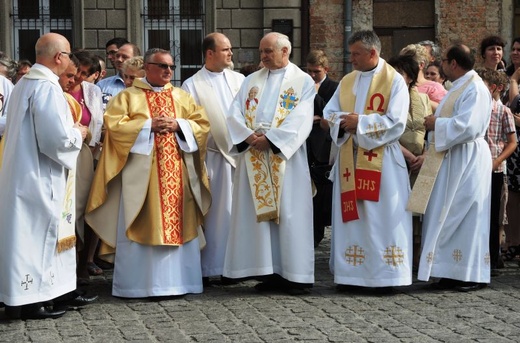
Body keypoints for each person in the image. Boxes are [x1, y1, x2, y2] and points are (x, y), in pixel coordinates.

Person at [85, 48, 210, 298]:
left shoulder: (182, 97)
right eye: (163, 66)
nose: (168, 72)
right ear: (147, 68)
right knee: (140, 220)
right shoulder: (128, 97)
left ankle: (181, 283)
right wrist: (147, 126)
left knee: (180, 223)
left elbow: (202, 125)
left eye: (171, 67)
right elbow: (115, 126)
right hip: (141, 178)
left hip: (177, 174)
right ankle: (138, 285)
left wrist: (179, 125)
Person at [0, 33, 93, 320]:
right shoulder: (47, 88)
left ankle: (35, 295)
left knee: (26, 237)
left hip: (22, 172)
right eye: (67, 56)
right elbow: (56, 141)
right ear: (58, 57)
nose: (69, 62)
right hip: (39, 176)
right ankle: (30, 302)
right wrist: (79, 133)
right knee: (36, 237)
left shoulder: (24, 84)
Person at [222, 32, 316, 295]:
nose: (262, 56)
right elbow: (234, 112)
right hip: (253, 154)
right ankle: (267, 270)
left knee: (289, 213)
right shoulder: (251, 80)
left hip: (285, 158)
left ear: (285, 51)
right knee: (259, 219)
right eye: (261, 51)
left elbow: (302, 117)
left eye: (268, 51)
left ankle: (294, 275)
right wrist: (249, 136)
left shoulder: (302, 81)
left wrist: (272, 140)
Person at [323, 30, 412, 292]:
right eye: (350, 54)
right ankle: (351, 275)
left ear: (373, 53)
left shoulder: (394, 81)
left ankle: (385, 277)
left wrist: (359, 122)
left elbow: (397, 121)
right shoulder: (348, 81)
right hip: (350, 157)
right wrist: (343, 122)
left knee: (382, 217)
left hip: (382, 161)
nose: (351, 59)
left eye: (356, 54)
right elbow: (329, 112)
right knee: (353, 219)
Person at [412, 44, 492, 292]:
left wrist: (437, 123)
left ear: (454, 63)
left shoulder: (475, 88)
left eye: (444, 61)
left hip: (467, 159)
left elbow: (469, 126)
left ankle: (469, 274)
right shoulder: (458, 86)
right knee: (445, 215)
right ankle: (448, 271)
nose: (441, 65)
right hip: (452, 157)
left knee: (464, 215)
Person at [182, 33, 245, 285]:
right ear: (210, 53)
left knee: (238, 212)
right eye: (225, 49)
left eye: (230, 49)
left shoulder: (240, 80)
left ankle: (237, 266)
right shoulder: (192, 84)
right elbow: (191, 123)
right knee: (216, 214)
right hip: (213, 158)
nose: (231, 53)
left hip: (242, 156)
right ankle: (211, 267)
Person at [388, 54, 433, 269]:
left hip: (420, 161)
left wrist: (424, 155)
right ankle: (397, 254)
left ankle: (416, 257)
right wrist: (407, 154)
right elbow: (386, 133)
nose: (396, 77)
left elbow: (429, 131)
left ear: (410, 77)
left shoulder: (422, 99)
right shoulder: (387, 99)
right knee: (398, 209)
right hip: (396, 156)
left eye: (401, 73)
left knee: (418, 210)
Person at [475, 68, 517, 276]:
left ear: (493, 88)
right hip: (474, 168)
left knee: (493, 216)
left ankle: (492, 259)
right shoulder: (474, 109)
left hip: (494, 169)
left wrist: (497, 161)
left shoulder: (502, 111)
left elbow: (512, 142)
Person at [305, 49, 338, 248]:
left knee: (322, 194)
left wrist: (316, 94)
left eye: (315, 72)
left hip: (324, 145)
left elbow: (329, 113)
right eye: (308, 71)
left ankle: (318, 232)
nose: (311, 76)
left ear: (325, 69)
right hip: (307, 144)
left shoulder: (334, 87)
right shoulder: (304, 86)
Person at [400, 44, 447, 110]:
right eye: (402, 62)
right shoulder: (398, 84)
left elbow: (444, 110)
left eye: (409, 62)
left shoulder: (434, 88)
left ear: (421, 65)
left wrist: (418, 97)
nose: (404, 65)